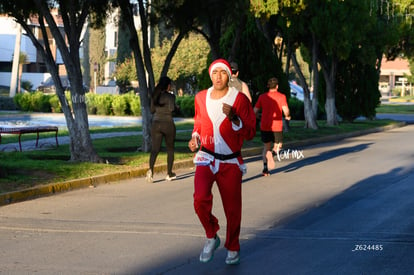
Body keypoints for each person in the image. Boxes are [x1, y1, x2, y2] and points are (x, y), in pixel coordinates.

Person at [188, 59, 256, 265]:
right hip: (206, 158)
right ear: (210, 75)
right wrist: (195, 138)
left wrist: (235, 118)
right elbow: (199, 123)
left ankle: (233, 246)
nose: (218, 76)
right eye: (215, 72)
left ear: (229, 76)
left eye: (223, 73)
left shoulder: (240, 100)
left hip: (230, 162)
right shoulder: (200, 97)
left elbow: (251, 132)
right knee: (199, 199)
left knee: (232, 209)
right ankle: (212, 234)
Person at [254, 77, 291, 176]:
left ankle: (265, 169)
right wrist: (287, 116)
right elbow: (286, 110)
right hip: (277, 126)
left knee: (266, 147)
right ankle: (273, 154)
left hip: (265, 125)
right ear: (277, 86)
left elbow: (254, 111)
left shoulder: (262, 97)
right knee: (278, 146)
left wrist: (258, 116)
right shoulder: (281, 96)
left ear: (268, 86)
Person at [146, 76, 177, 183]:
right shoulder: (170, 97)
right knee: (170, 149)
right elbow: (172, 109)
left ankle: (150, 170)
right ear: (168, 85)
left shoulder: (155, 96)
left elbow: (151, 110)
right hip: (168, 123)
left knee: (155, 149)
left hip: (156, 124)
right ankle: (169, 173)